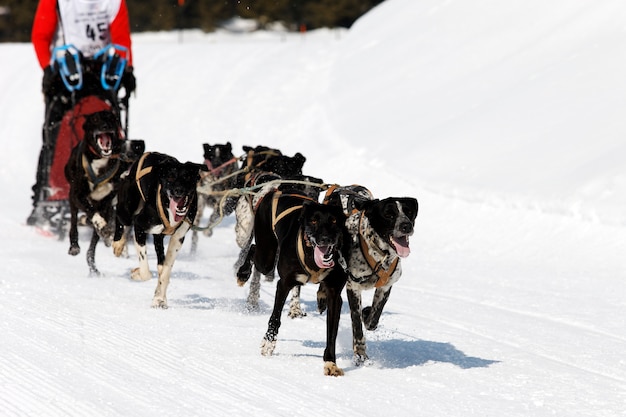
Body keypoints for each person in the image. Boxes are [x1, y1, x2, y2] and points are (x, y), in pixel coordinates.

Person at [27, 0, 136, 228]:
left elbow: (121, 38)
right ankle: (49, 193)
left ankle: (115, 189)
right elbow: (41, 36)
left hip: (102, 71)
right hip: (65, 72)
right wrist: (47, 68)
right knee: (56, 130)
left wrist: (128, 69)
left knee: (109, 125)